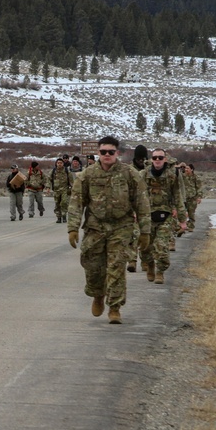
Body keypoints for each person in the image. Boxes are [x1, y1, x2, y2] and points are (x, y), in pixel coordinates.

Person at [68, 135, 151, 324]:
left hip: (121, 227)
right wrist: (72, 228)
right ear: (98, 153)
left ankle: (115, 307)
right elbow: (76, 203)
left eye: (111, 152)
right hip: (95, 228)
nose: (107, 155)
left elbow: (142, 203)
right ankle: (98, 295)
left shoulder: (130, 174)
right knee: (93, 267)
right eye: (103, 152)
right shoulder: (87, 175)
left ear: (117, 153)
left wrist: (145, 231)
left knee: (117, 267)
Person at [140, 148, 187, 284]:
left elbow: (178, 197)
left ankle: (160, 272)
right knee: (145, 248)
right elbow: (136, 195)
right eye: (155, 158)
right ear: (151, 159)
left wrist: (182, 220)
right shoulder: (143, 175)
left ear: (165, 159)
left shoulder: (172, 176)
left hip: (165, 216)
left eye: (160, 158)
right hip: (147, 216)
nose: (157, 160)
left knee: (162, 248)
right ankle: (150, 266)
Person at [127, 144, 149, 273]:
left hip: (149, 208)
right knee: (133, 235)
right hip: (134, 207)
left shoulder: (151, 170)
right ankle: (132, 260)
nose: (141, 161)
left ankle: (145, 261)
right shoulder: (129, 171)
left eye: (143, 158)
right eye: (139, 158)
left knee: (146, 235)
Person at [181, 163, 204, 232]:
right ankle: (181, 226)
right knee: (181, 212)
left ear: (192, 169)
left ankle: (191, 226)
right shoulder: (182, 177)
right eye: (185, 168)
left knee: (191, 213)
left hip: (192, 198)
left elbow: (199, 187)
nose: (186, 169)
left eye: (188, 168)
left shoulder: (195, 177)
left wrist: (199, 197)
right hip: (183, 198)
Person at [50, 157, 72, 223]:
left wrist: (73, 187)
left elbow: (71, 180)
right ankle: (58, 217)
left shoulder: (66, 171)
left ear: (63, 164)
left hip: (64, 189)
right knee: (57, 204)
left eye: (61, 163)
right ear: (56, 164)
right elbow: (49, 179)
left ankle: (64, 215)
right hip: (56, 190)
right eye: (58, 163)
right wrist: (48, 187)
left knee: (64, 202)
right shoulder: (53, 171)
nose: (59, 164)